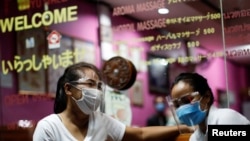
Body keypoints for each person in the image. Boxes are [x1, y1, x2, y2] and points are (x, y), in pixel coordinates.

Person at [33, 62, 192, 141]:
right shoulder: (48, 128)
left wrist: (183, 128)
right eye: (89, 84)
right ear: (68, 89)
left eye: (98, 86)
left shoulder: (99, 119)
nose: (96, 91)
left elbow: (141, 134)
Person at [169, 72, 250, 141]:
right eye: (177, 105)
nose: (182, 108)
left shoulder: (224, 118)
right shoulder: (195, 137)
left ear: (206, 96)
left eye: (187, 100)